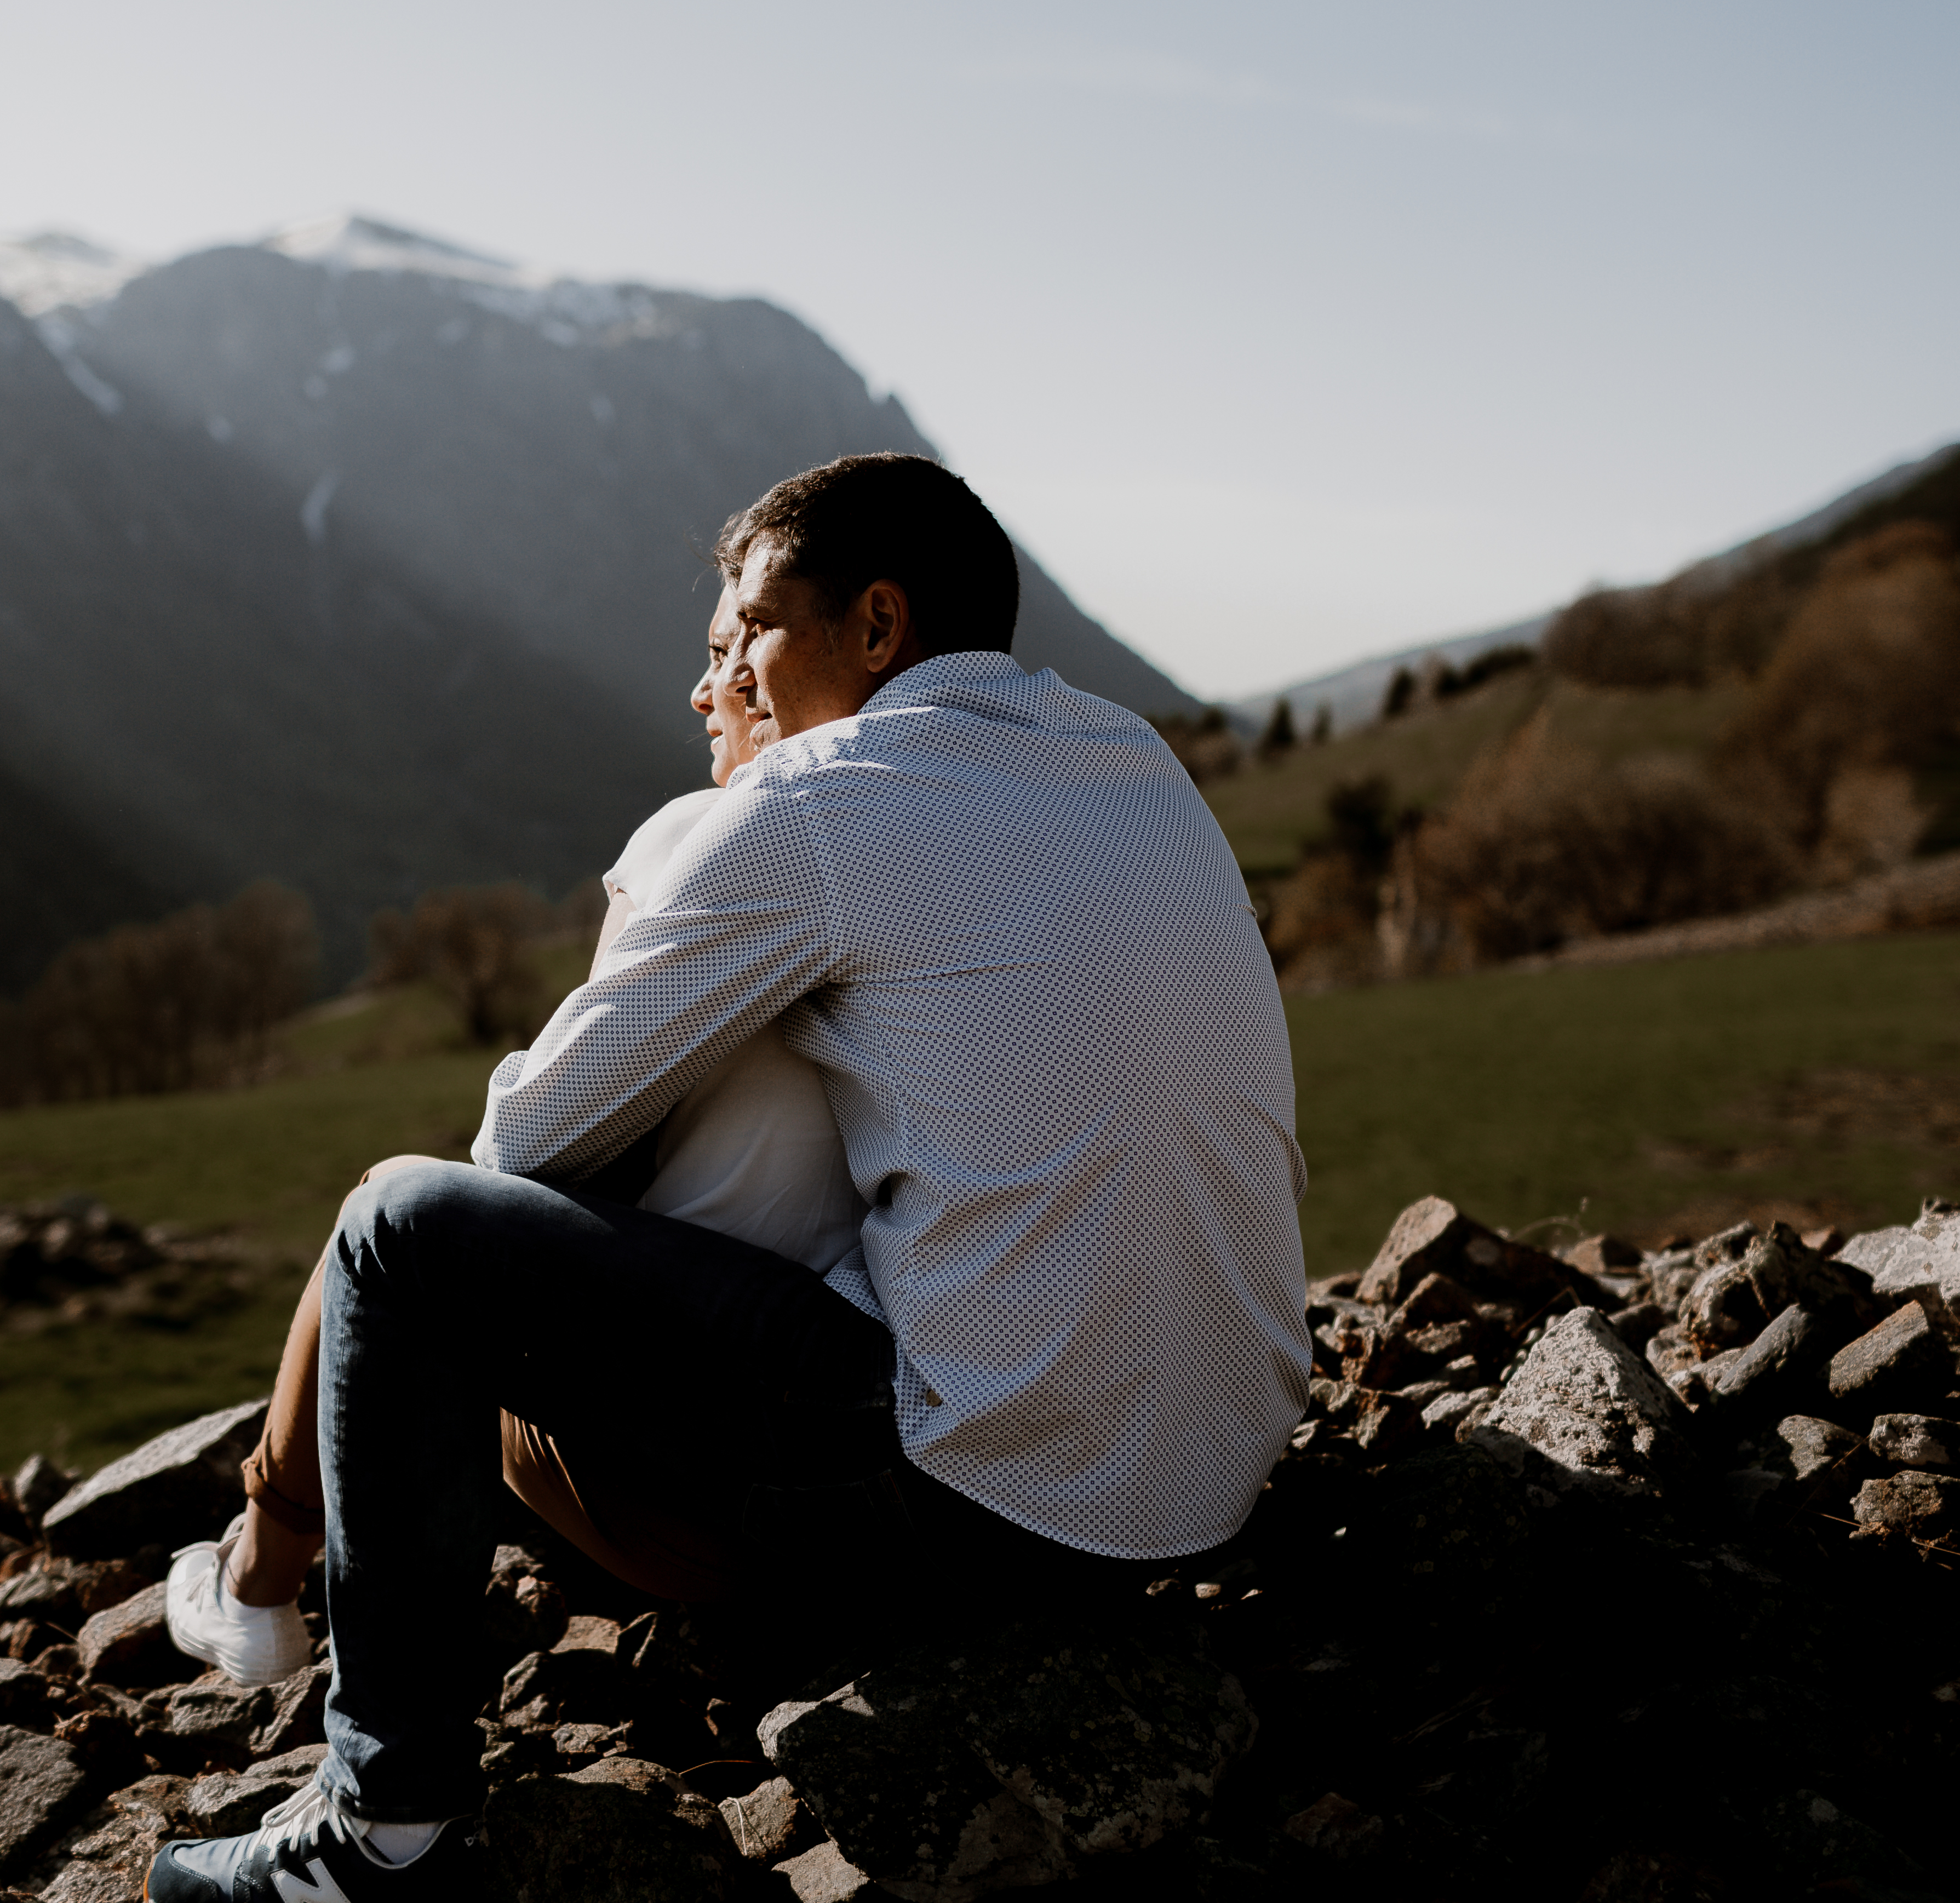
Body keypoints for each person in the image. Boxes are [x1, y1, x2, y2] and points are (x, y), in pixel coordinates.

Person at [150, 453, 1308, 1903]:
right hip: (1220, 1480)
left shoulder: (824, 797)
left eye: (754, 630)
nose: (736, 679)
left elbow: (526, 1150)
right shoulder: (1133, 756)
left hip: (989, 1514)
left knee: (400, 1229)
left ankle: (381, 1826)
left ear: (877, 627)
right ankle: (301, 1571)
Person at [159, 583, 866, 1686]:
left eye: (728, 650)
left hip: (698, 1462)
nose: (700, 691)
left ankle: (259, 1582)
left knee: (399, 1224)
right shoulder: (935, 856)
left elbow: (543, 1147)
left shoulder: (700, 832)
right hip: (875, 1455)